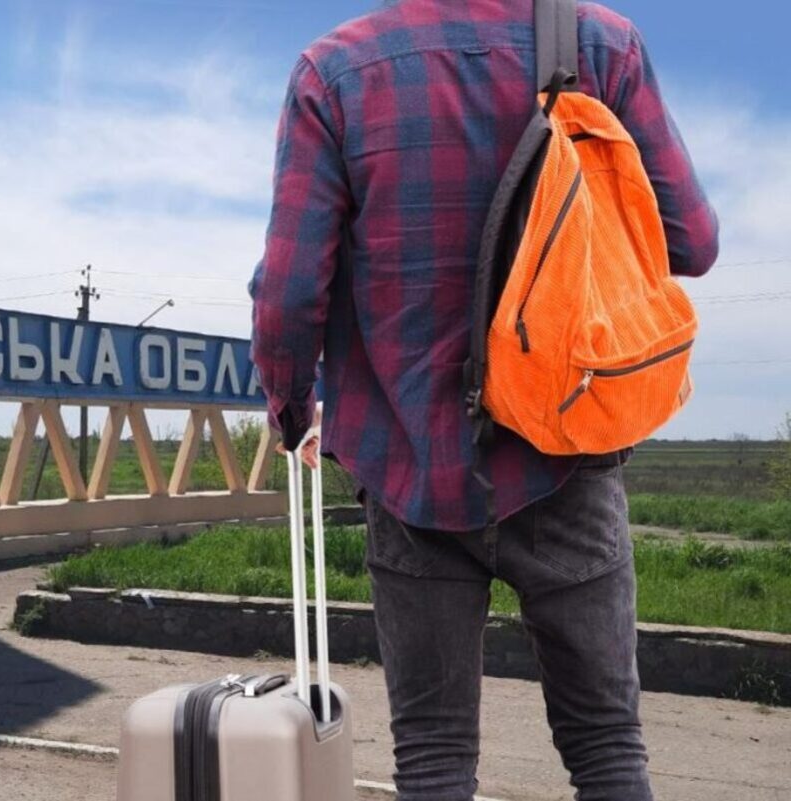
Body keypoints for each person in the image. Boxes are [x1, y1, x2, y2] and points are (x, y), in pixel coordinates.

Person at [248, 1, 719, 799]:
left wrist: (292, 409)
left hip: (410, 466)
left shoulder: (333, 75)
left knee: (433, 758)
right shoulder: (601, 46)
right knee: (608, 747)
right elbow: (692, 241)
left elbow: (290, 295)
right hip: (567, 451)